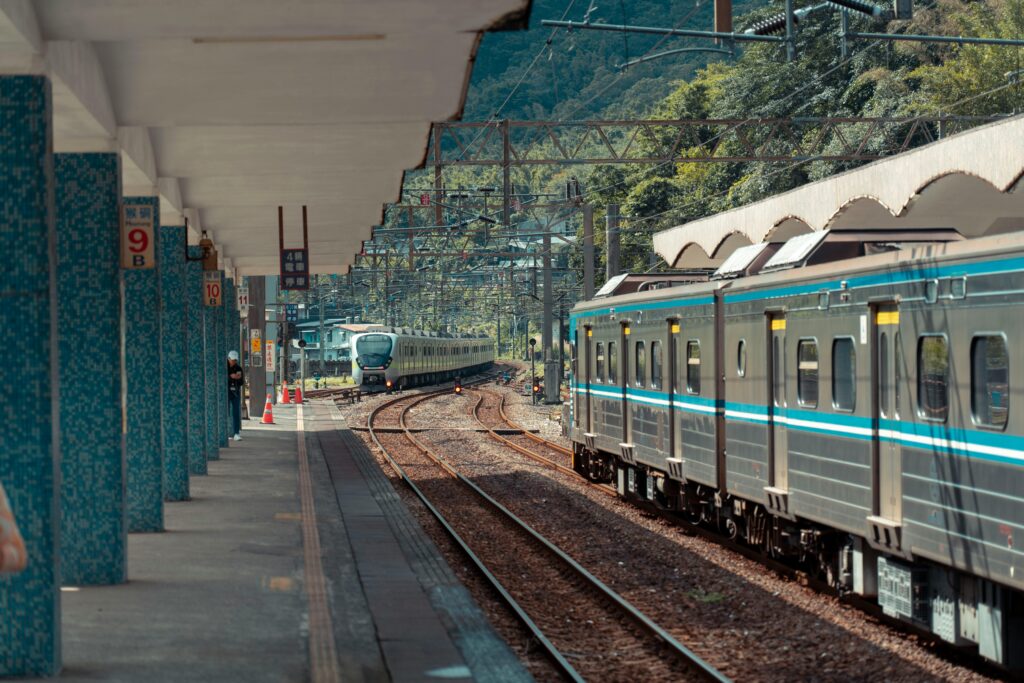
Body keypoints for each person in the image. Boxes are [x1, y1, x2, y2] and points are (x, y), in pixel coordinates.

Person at [228, 351, 244, 441]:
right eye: (232, 360)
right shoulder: (224, 367)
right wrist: (231, 377)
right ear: (229, 358)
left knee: (236, 412)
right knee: (225, 412)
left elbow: (241, 382)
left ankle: (236, 433)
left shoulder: (238, 368)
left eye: (235, 360)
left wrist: (238, 378)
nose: (234, 362)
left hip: (235, 392)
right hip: (226, 391)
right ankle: (227, 432)